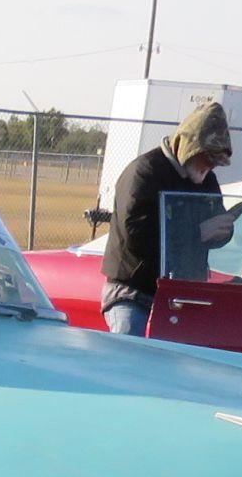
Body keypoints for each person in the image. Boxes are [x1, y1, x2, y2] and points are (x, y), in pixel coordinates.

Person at [100, 99, 234, 336]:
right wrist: (198, 233)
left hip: (182, 293)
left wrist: (224, 231)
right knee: (127, 347)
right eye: (207, 157)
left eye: (215, 162)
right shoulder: (144, 172)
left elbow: (216, 222)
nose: (210, 167)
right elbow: (137, 235)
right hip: (133, 289)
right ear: (187, 147)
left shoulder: (206, 180)